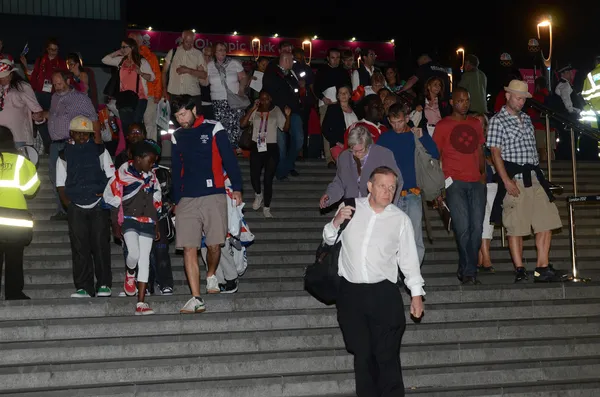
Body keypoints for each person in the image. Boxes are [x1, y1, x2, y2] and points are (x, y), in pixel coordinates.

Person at [323, 166, 424, 397]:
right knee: (363, 355)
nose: (387, 192)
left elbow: (408, 259)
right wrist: (336, 221)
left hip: (384, 294)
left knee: (387, 355)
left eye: (392, 187)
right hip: (351, 294)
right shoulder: (350, 207)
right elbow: (328, 239)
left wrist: (416, 295)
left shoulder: (400, 220)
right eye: (382, 186)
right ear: (369, 186)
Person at [170, 95, 242, 313]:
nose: (180, 120)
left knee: (213, 245)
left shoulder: (213, 128)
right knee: (189, 248)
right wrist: (175, 200)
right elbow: (175, 169)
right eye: (177, 116)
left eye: (183, 114)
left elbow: (229, 158)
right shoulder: (177, 136)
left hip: (213, 193)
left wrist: (237, 187)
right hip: (187, 198)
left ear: (193, 110)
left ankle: (211, 273)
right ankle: (196, 297)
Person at [488, 80, 564, 282]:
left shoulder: (527, 120)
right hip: (516, 178)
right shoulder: (498, 121)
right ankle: (520, 269)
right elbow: (495, 154)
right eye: (518, 98)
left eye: (524, 99)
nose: (522, 102)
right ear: (508, 96)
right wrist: (506, 181)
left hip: (535, 178)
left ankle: (542, 267)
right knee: (517, 226)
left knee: (546, 220)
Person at [56, 116, 114, 298]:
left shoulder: (100, 151)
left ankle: (104, 284)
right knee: (80, 247)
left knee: (100, 245)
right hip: (76, 207)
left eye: (85, 133)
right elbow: (60, 185)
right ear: (71, 133)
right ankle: (83, 286)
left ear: (90, 134)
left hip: (98, 205)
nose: (82, 136)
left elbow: (112, 177)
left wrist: (106, 199)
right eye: (78, 133)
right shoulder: (64, 155)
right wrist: (70, 205)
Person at [433, 87, 486, 285]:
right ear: (452, 102)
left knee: (477, 229)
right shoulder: (443, 125)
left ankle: (466, 267)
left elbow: (480, 150)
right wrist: (439, 187)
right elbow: (435, 157)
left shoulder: (475, 123)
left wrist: (482, 175)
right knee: (462, 228)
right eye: (460, 100)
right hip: (454, 182)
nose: (464, 103)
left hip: (476, 183)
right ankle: (469, 271)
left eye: (467, 100)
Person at [104, 140, 162, 315]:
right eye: (150, 161)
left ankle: (141, 303)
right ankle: (130, 272)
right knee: (134, 254)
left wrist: (157, 225)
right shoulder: (120, 175)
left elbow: (155, 202)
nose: (152, 165)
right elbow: (113, 200)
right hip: (129, 219)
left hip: (147, 221)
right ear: (137, 159)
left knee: (144, 260)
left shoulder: (152, 177)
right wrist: (115, 224)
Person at [378, 103, 439, 264]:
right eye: (393, 122)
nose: (397, 126)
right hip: (392, 195)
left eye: (399, 121)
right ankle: (395, 274)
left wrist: (423, 137)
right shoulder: (384, 138)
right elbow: (375, 164)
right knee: (392, 237)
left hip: (413, 194)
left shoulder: (416, 134)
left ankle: (413, 276)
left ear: (406, 118)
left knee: (414, 236)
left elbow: (435, 154)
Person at [0, 125, 40, 300]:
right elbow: (31, 190)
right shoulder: (22, 161)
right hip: (15, 218)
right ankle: (13, 292)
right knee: (15, 257)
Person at [320, 125, 401, 209]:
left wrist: (391, 205)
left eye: (361, 150)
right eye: (353, 150)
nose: (357, 154)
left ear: (368, 144)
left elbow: (398, 180)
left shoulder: (384, 155)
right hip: (352, 206)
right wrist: (329, 196)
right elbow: (339, 182)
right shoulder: (344, 157)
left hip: (377, 207)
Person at [240, 91, 291, 218]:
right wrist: (252, 109)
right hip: (257, 146)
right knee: (254, 175)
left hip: (271, 147)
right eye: (262, 99)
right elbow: (243, 124)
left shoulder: (276, 110)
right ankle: (258, 194)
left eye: (266, 99)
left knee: (268, 179)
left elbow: (284, 128)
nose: (264, 101)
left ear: (270, 99)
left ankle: (267, 207)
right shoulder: (255, 110)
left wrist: (288, 116)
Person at [473, 113, 497, 272]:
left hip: (492, 182)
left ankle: (481, 256)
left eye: (483, 124)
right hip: (476, 183)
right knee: (484, 217)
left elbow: (499, 160)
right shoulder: (468, 141)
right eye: (477, 123)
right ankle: (486, 257)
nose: (480, 127)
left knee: (489, 220)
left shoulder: (491, 142)